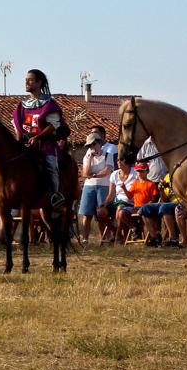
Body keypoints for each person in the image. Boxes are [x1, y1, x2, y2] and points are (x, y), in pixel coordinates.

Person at [12, 68, 67, 211]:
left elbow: (54, 125)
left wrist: (38, 137)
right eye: (26, 80)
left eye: (30, 80)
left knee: (51, 167)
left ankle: (55, 196)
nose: (27, 82)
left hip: (44, 146)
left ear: (39, 82)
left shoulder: (49, 104)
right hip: (25, 146)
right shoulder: (21, 106)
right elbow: (18, 127)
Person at [78, 133, 112, 246]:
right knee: (86, 214)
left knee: (101, 214)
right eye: (89, 145)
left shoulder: (108, 155)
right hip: (89, 186)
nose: (92, 147)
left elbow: (106, 171)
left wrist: (94, 175)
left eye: (93, 144)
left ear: (99, 143)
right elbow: (85, 173)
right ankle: (85, 240)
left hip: (103, 186)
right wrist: (89, 159)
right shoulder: (86, 157)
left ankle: (104, 238)